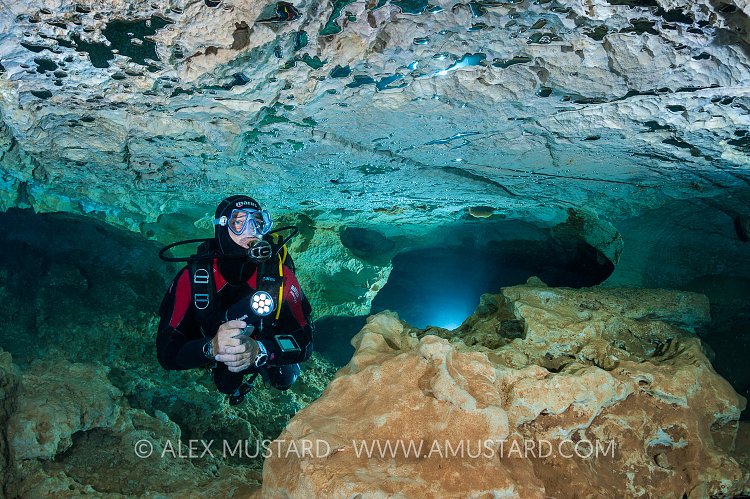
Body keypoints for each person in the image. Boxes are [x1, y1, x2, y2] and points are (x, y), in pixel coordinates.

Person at [156, 195, 314, 404]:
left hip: (264, 343)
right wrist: (211, 348)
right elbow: (167, 353)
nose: (250, 231)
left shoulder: (281, 276)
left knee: (284, 380)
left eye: (257, 222)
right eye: (238, 222)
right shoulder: (193, 278)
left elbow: (306, 342)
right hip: (217, 347)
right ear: (221, 228)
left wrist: (261, 350)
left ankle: (266, 365)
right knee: (226, 384)